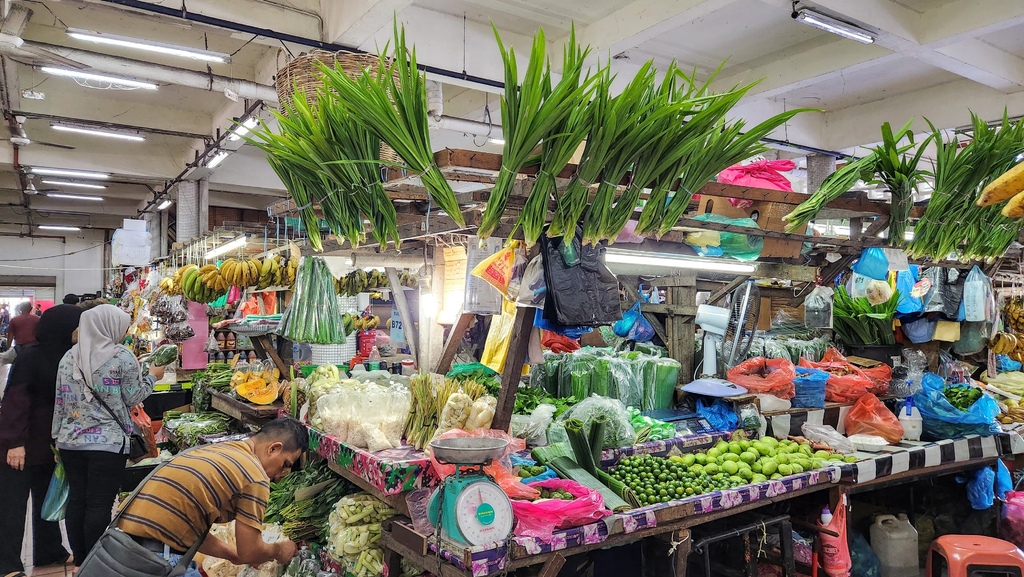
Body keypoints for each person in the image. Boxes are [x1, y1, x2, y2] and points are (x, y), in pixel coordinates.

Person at [51, 304, 163, 571]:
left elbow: (60, 400)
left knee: (77, 500)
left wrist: (56, 436)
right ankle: (94, 561)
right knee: (100, 503)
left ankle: (80, 557)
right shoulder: (122, 357)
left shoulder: (69, 357)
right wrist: (153, 378)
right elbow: (133, 397)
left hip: (71, 443)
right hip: (107, 445)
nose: (124, 331)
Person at [116, 419, 305, 575]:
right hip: (160, 558)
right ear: (274, 449)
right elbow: (250, 552)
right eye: (285, 464)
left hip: (124, 546)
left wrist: (231, 554)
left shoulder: (217, 450)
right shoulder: (254, 475)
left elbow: (187, 526)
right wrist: (281, 550)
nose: (282, 474)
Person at [0, 304, 83, 577]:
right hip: (21, 444)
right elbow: (14, 400)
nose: (80, 332)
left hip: (48, 445)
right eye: (77, 326)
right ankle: (7, 565)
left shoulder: (69, 356)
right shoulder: (31, 357)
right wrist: (13, 442)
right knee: (12, 506)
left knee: (46, 502)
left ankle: (50, 552)